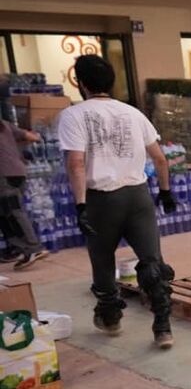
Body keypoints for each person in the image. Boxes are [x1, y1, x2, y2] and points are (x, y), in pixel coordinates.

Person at [58, 55, 177, 349]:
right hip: (138, 196)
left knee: (102, 260)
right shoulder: (133, 113)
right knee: (151, 262)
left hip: (101, 200)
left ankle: (111, 319)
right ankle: (163, 328)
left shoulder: (74, 115)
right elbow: (160, 158)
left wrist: (80, 205)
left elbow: (76, 163)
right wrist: (164, 191)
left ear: (80, 82)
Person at [0, 75, 49, 269]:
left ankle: (32, 248)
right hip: (19, 172)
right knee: (7, 212)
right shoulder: (6, 125)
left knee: (13, 211)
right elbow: (33, 137)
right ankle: (18, 249)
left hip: (4, 175)